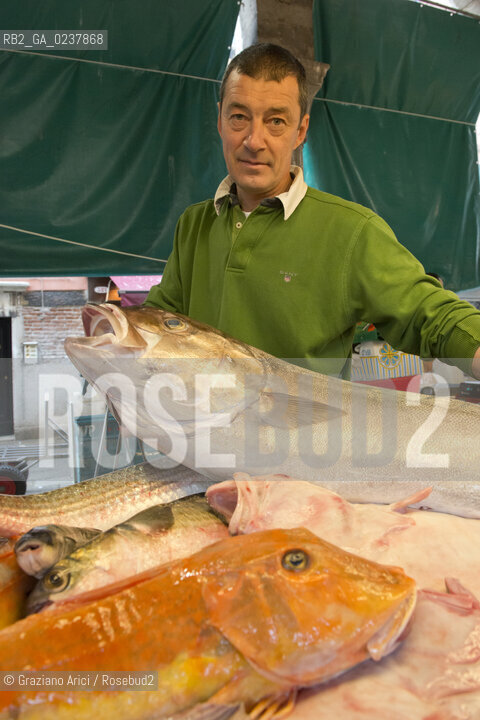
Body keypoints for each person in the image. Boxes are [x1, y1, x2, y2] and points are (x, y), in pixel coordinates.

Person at [145, 43, 480, 380]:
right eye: (239, 117)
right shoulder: (194, 225)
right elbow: (156, 323)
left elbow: (430, 313)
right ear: (220, 120)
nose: (253, 140)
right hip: (207, 431)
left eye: (275, 121)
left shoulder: (350, 232)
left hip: (308, 431)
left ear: (300, 131)